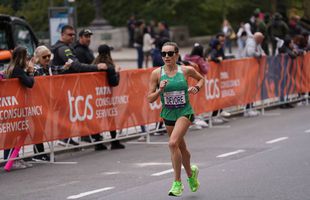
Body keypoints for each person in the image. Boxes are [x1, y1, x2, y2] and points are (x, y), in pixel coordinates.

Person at [147, 42, 204, 196]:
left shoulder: (185, 70)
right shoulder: (156, 74)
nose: (166, 56)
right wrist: (160, 90)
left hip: (185, 112)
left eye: (170, 53)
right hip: (168, 114)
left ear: (177, 55)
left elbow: (201, 79)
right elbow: (150, 99)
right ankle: (191, 175)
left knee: (172, 143)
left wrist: (196, 88)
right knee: (181, 148)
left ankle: (177, 183)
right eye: (163, 53)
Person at [51, 24, 107, 146]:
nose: (72, 37)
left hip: (66, 85)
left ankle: (67, 137)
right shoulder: (63, 48)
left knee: (69, 111)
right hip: (63, 85)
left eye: (73, 34)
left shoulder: (65, 47)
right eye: (69, 34)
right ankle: (64, 138)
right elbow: (76, 66)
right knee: (65, 111)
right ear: (62, 35)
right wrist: (96, 67)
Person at [73, 29, 107, 151]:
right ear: (80, 37)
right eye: (86, 36)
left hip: (90, 87)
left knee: (91, 113)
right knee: (89, 114)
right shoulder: (78, 50)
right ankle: (94, 138)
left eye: (89, 36)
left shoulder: (87, 49)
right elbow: (82, 67)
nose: (88, 39)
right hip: (84, 87)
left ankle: (92, 136)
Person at [3, 46, 35, 169]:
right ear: (22, 57)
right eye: (26, 55)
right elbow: (29, 83)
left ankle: (14, 158)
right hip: (15, 105)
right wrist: (31, 72)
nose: (27, 58)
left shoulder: (12, 68)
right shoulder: (17, 69)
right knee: (14, 133)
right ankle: (11, 159)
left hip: (13, 105)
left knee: (15, 132)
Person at [93, 44, 125, 150]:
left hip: (96, 95)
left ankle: (98, 142)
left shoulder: (95, 63)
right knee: (110, 118)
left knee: (97, 118)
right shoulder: (109, 65)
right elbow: (114, 82)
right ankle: (114, 141)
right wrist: (117, 72)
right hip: (106, 96)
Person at [243, 32, 265, 117]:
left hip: (252, 69)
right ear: (258, 38)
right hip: (248, 68)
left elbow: (261, 51)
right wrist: (259, 55)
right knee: (249, 88)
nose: (261, 42)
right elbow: (250, 52)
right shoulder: (251, 42)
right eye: (261, 40)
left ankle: (250, 107)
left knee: (252, 88)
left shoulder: (257, 43)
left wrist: (263, 54)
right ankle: (248, 109)